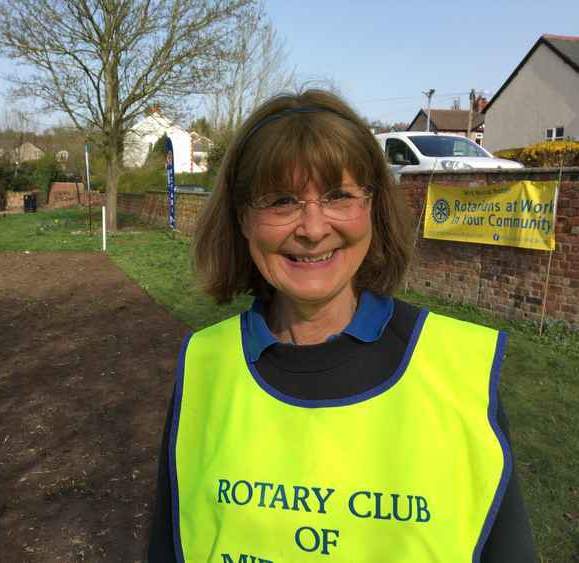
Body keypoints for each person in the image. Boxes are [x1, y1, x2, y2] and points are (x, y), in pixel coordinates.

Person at [147, 90, 536, 562]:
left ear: (372, 207)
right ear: (243, 219)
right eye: (282, 201)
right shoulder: (203, 367)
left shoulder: (461, 372)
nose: (312, 228)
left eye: (338, 196)